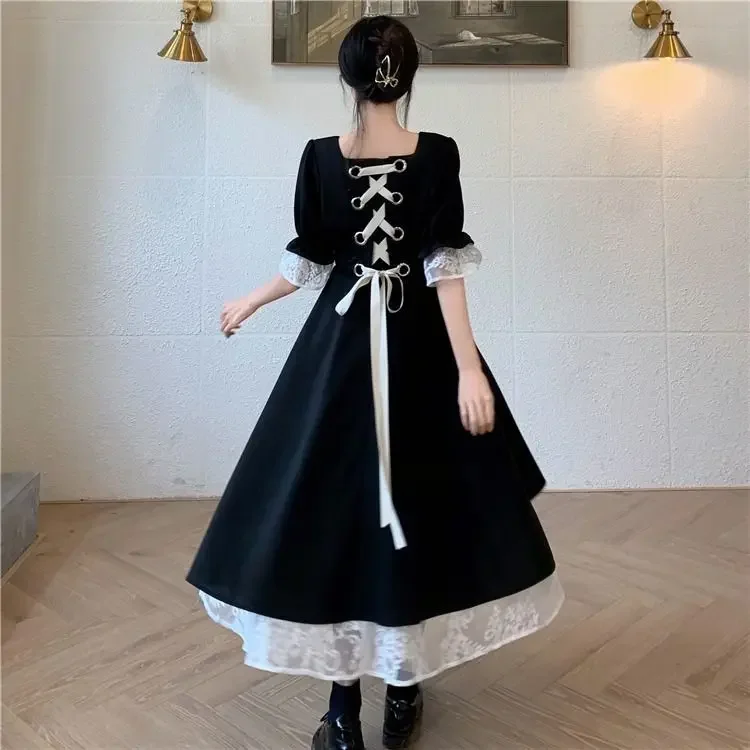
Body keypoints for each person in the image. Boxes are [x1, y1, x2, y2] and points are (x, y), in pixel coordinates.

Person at [187, 15, 564, 750]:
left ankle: (359, 704)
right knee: (388, 509)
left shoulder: (353, 156)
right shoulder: (400, 155)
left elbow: (416, 261)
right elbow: (406, 266)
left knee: (350, 512)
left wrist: (468, 370)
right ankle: (381, 694)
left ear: (347, 77)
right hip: (395, 350)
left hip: (363, 355)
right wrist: (463, 368)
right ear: (409, 76)